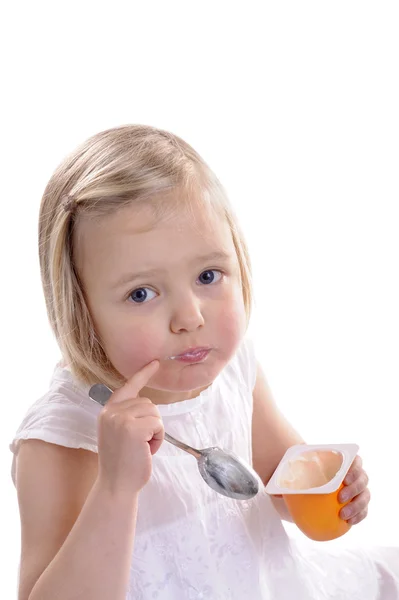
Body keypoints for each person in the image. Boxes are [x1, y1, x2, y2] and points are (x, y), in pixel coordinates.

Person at [10, 125, 399, 600]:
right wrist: (115, 488)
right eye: (141, 293)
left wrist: (335, 491)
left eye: (208, 275)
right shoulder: (62, 438)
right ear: (80, 309)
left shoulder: (233, 373)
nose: (190, 317)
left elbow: (281, 480)